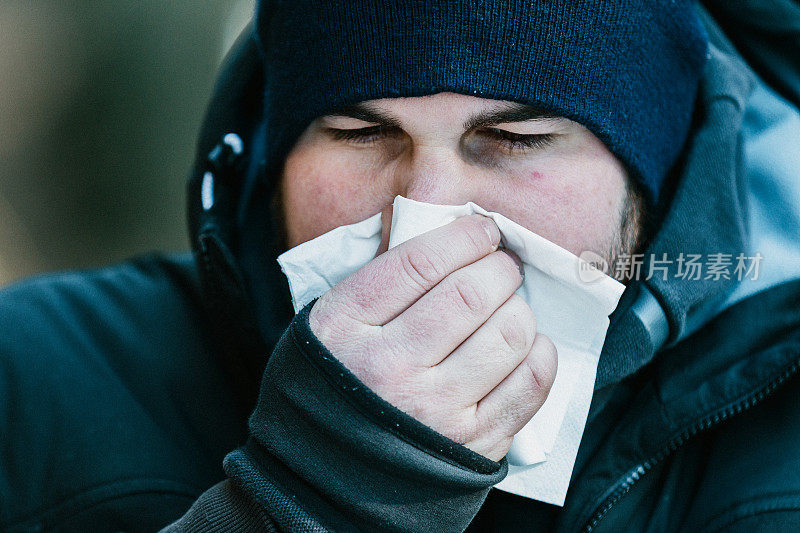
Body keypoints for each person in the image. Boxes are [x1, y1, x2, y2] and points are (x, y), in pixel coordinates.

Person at [2, 1, 800, 531]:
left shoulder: (777, 425)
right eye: (357, 131)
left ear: (651, 183)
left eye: (518, 139)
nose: (424, 214)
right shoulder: (37, 379)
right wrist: (311, 499)